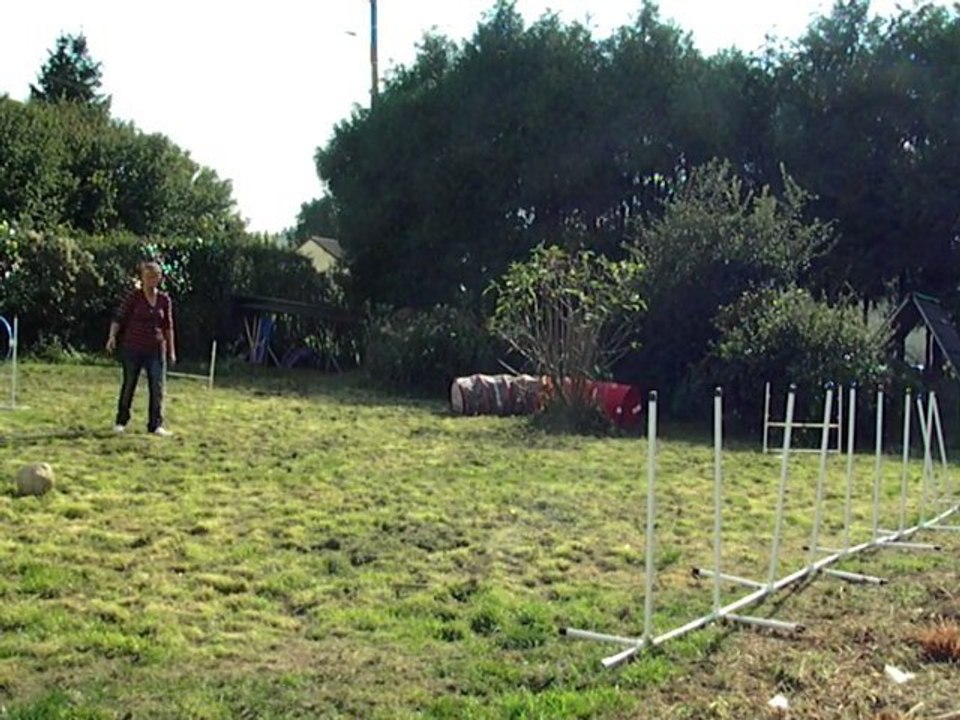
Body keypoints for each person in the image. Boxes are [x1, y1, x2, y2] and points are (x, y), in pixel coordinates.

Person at [105, 261, 176, 436]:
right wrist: (112, 337)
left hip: (156, 348)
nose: (151, 280)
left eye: (155, 277)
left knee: (157, 387)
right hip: (133, 347)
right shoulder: (133, 297)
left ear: (159, 278)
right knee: (129, 384)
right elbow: (119, 318)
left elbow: (168, 326)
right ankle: (121, 421)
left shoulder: (164, 300)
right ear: (142, 278)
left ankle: (155, 425)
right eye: (148, 277)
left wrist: (171, 351)